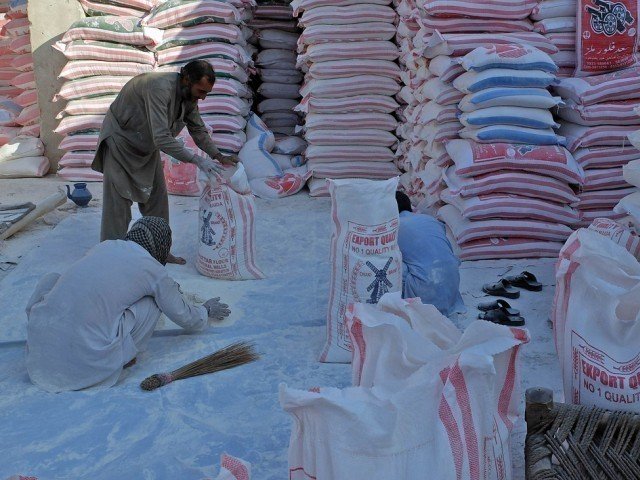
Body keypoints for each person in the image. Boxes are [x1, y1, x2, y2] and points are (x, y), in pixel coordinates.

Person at [25, 217, 231, 393]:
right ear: (161, 246)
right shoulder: (152, 271)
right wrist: (206, 310)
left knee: (52, 279)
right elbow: (185, 316)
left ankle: (47, 330)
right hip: (86, 364)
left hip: (40, 353)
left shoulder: (105, 246)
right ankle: (124, 357)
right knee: (153, 302)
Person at [92, 60, 238, 264]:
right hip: (121, 143)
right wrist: (197, 160)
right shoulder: (159, 88)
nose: (202, 97)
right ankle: (109, 257)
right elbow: (161, 138)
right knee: (118, 204)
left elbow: (197, 129)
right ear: (186, 79)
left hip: (145, 146)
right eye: (200, 91)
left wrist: (218, 156)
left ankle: (160, 251)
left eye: (206, 93)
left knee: (157, 200)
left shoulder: (188, 97)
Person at [396, 191, 465, 316]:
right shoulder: (429, 219)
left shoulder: (394, 226)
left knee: (385, 260)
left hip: (424, 296)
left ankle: (405, 303)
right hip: (451, 291)